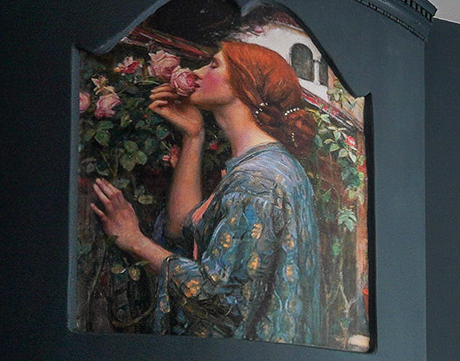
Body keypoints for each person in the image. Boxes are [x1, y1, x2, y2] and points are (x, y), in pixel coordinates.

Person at [86, 38, 326, 343]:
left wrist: (136, 242)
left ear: (245, 85)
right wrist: (194, 136)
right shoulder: (264, 164)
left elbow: (219, 299)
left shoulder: (256, 182)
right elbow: (180, 229)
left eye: (213, 65)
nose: (196, 72)